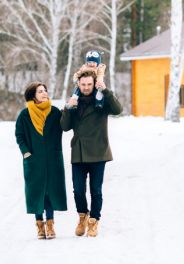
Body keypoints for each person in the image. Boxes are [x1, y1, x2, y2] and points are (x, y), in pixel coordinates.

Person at [60, 70, 122, 237]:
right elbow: (64, 127)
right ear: (78, 85)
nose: (86, 87)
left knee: (96, 190)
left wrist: (106, 91)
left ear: (94, 84)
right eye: (83, 84)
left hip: (98, 152)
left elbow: (118, 109)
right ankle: (82, 216)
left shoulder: (101, 100)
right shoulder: (74, 101)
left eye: (89, 84)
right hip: (79, 153)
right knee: (78, 191)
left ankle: (94, 221)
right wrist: (68, 107)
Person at [15, 81, 67, 240]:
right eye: (40, 91)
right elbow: (20, 135)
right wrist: (25, 152)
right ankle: (39, 225)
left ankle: (50, 225)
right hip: (34, 160)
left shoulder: (55, 112)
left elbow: (65, 126)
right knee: (37, 192)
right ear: (33, 96)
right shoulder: (25, 115)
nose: (44, 93)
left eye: (45, 90)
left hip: (53, 159)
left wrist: (68, 112)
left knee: (50, 191)